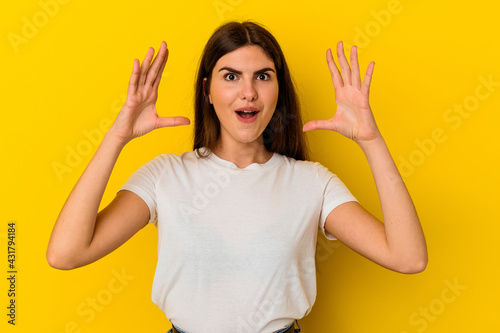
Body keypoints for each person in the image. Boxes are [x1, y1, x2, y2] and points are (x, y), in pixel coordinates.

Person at [46, 21, 427, 333]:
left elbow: (408, 257)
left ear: (279, 90)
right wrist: (117, 137)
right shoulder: (166, 175)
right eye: (231, 77)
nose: (248, 93)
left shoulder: (312, 182)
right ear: (208, 91)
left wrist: (372, 141)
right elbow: (66, 254)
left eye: (263, 76)